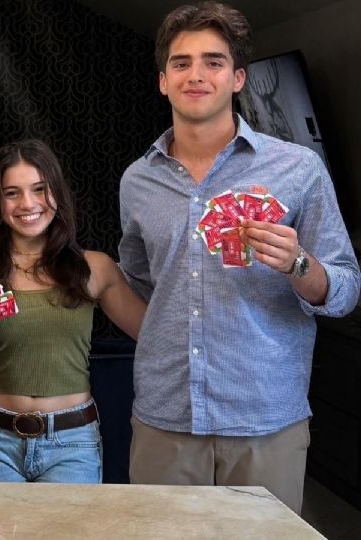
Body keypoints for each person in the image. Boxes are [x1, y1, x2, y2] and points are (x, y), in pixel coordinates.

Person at [118, 2, 360, 513]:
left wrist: (298, 264)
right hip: (165, 417)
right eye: (181, 63)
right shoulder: (137, 181)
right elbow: (142, 284)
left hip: (265, 419)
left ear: (238, 78)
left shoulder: (298, 169)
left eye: (214, 61)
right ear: (163, 81)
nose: (196, 75)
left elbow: (345, 289)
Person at [0, 139, 145, 483]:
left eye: (39, 189)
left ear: (57, 193)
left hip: (73, 443)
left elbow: (154, 336)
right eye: (12, 193)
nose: (28, 203)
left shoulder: (94, 268)